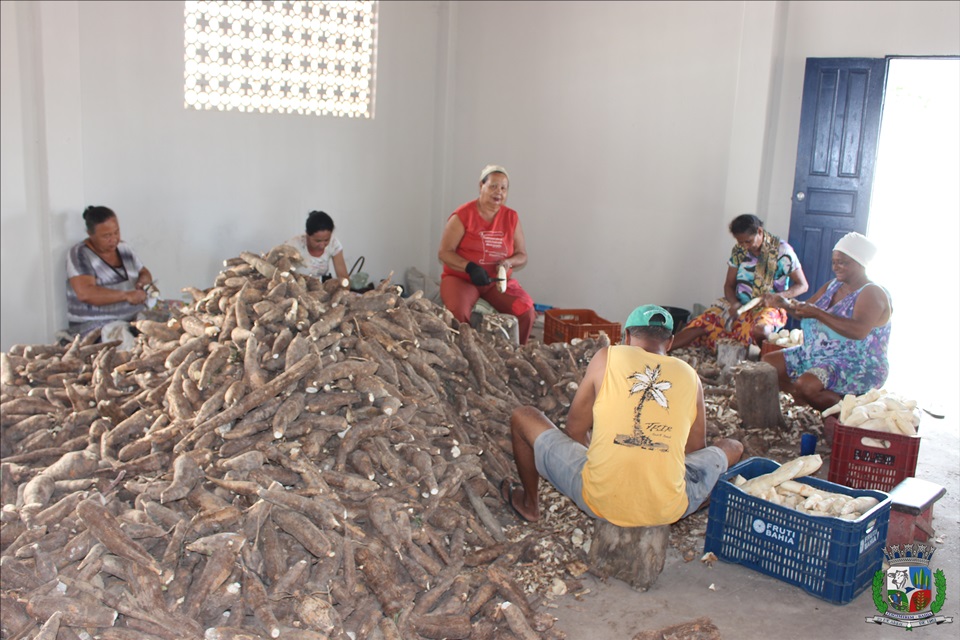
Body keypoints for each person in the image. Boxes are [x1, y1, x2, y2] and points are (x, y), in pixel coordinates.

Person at [503, 305, 743, 526]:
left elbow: (575, 430)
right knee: (733, 446)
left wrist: (604, 461)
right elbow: (694, 451)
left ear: (627, 337)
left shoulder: (608, 356)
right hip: (667, 508)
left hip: (599, 501)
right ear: (669, 343)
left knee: (523, 416)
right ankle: (701, 500)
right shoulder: (690, 375)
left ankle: (529, 505)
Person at [762, 232, 892, 411]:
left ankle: (847, 412)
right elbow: (805, 312)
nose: (836, 267)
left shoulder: (872, 292)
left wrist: (819, 314)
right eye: (834, 262)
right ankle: (805, 401)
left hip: (855, 363)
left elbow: (858, 331)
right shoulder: (833, 286)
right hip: (816, 354)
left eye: (843, 262)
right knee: (767, 366)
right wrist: (784, 304)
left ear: (860, 262)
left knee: (807, 384)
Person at [670, 214, 808, 352]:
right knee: (701, 323)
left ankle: (759, 363)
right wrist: (734, 303)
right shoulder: (739, 250)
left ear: (759, 232)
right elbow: (729, 285)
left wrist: (778, 296)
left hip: (768, 308)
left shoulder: (782, 251)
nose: (745, 246)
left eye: (748, 241)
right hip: (739, 305)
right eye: (740, 242)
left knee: (762, 330)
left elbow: (802, 285)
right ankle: (661, 351)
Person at [438, 165, 537, 344]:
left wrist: (508, 263)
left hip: (496, 283)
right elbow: (444, 252)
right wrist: (469, 267)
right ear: (481, 186)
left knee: (526, 311)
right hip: (462, 279)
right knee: (457, 313)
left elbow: (522, 255)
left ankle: (517, 356)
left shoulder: (511, 217)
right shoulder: (462, 215)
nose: (498, 192)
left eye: (503, 188)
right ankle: (463, 356)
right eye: (493, 186)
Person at [66, 206, 155, 339]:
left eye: (116, 232)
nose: (114, 239)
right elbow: (85, 293)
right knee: (128, 342)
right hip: (95, 326)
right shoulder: (80, 254)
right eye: (106, 236)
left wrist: (142, 283)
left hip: (131, 319)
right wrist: (126, 295)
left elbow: (144, 272)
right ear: (90, 234)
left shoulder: (124, 248)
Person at [284, 210, 348, 281]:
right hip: (297, 286)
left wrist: (343, 287)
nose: (322, 245)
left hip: (320, 287)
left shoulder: (333, 244)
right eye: (318, 241)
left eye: (326, 240)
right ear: (307, 234)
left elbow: (343, 277)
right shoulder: (293, 245)